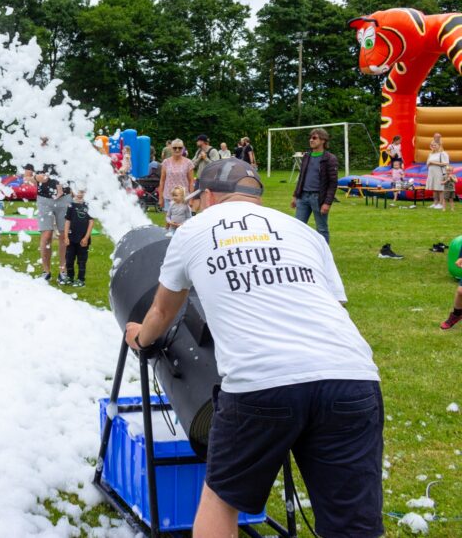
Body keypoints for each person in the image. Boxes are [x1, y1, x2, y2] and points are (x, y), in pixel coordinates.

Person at [125, 158, 383, 538]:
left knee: (221, 500)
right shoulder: (303, 231)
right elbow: (331, 305)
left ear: (208, 196)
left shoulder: (193, 229)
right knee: (352, 524)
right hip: (352, 378)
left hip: (261, 382)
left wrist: (140, 338)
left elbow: (163, 309)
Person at [292, 128, 339, 243]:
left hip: (318, 198)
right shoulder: (307, 156)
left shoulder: (330, 159)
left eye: (314, 138)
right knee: (297, 228)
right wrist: (295, 195)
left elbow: (333, 183)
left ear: (323, 140)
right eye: (310, 138)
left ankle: (324, 257)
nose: (311, 140)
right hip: (303, 197)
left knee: (322, 229)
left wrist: (327, 203)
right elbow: (301, 177)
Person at [35, 162, 71, 284]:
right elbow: (27, 176)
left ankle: (63, 271)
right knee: (46, 235)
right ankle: (46, 271)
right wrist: (36, 177)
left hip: (65, 199)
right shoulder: (34, 151)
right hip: (44, 199)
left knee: (64, 235)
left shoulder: (65, 148)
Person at [62, 187, 93, 287]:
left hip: (83, 240)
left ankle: (80, 279)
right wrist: (66, 236)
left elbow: (91, 222)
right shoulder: (71, 205)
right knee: (69, 260)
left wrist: (86, 237)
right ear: (72, 192)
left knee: (81, 261)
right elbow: (67, 221)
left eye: (82, 192)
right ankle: (70, 277)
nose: (79, 194)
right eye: (77, 191)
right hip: (71, 239)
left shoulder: (89, 206)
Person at [159, 139, 195, 211]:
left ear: (183, 149)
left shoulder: (188, 163)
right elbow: (162, 181)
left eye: (180, 148)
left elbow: (191, 181)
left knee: (183, 221)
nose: (177, 150)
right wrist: (160, 198)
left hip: (184, 197)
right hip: (168, 196)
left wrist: (191, 198)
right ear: (171, 149)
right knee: (169, 221)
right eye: (175, 148)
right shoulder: (166, 162)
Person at [426, 139, 450, 210]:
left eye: (435, 145)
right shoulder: (431, 154)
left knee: (440, 188)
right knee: (434, 188)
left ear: (439, 145)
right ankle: (435, 203)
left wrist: (433, 163)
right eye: (432, 145)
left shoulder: (443, 153)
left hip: (439, 173)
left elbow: (446, 163)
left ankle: (441, 203)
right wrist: (429, 165)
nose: (433, 146)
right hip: (432, 173)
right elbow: (428, 163)